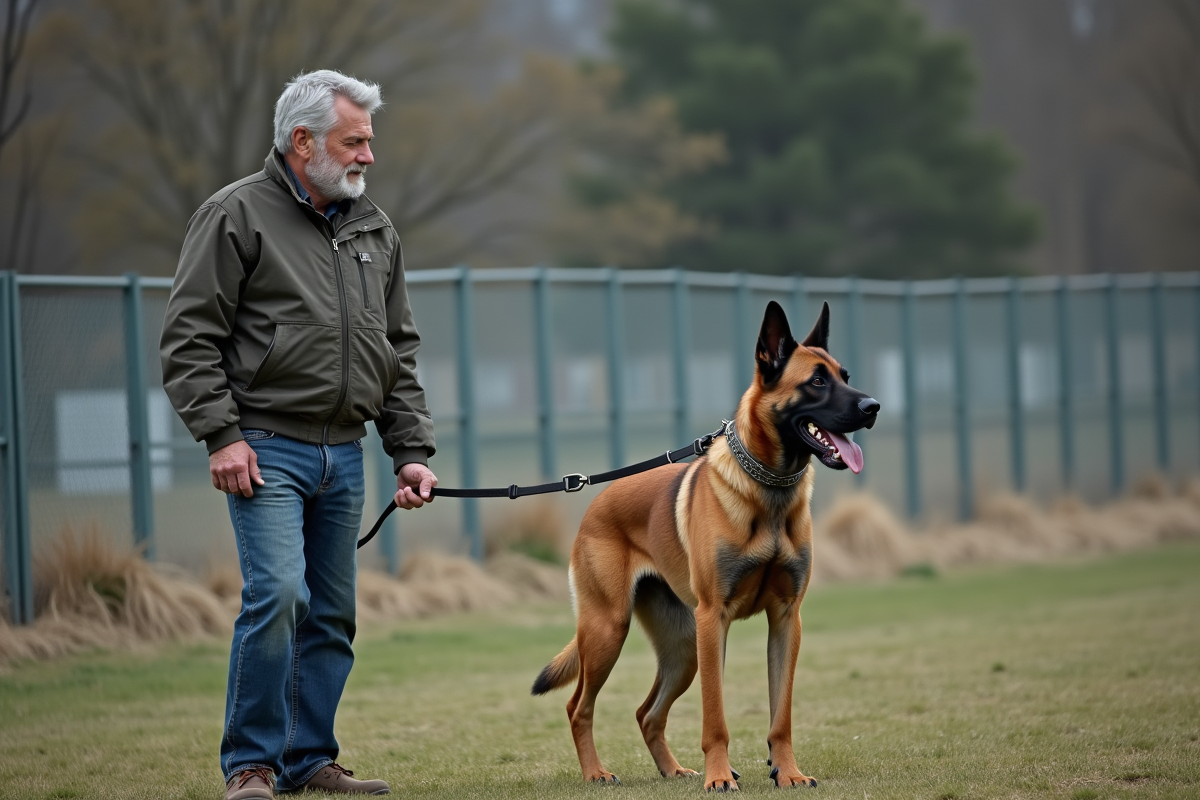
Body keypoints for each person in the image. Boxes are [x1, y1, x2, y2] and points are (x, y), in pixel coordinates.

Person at [160, 70, 437, 800]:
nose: (368, 157)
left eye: (369, 142)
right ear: (303, 140)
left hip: (343, 455)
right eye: (355, 141)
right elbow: (189, 338)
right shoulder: (233, 215)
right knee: (279, 596)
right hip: (264, 449)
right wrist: (221, 436)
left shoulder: (374, 228)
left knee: (332, 614)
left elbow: (395, 353)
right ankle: (250, 766)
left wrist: (410, 453)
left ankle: (309, 760)